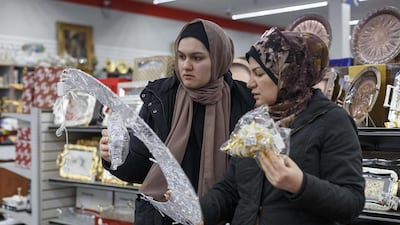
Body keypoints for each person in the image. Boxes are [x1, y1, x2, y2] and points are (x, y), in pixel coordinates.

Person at [199, 28, 365, 225]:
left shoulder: (332, 120)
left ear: (287, 73)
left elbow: (352, 202)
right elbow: (231, 189)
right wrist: (198, 210)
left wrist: (300, 184)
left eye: (259, 74)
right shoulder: (253, 121)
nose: (250, 83)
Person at [99, 18, 255, 225]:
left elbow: (249, 175)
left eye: (197, 58)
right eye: (181, 57)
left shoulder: (246, 101)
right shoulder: (161, 98)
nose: (186, 66)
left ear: (218, 58)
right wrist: (116, 157)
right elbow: (142, 168)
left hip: (224, 216)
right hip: (164, 216)